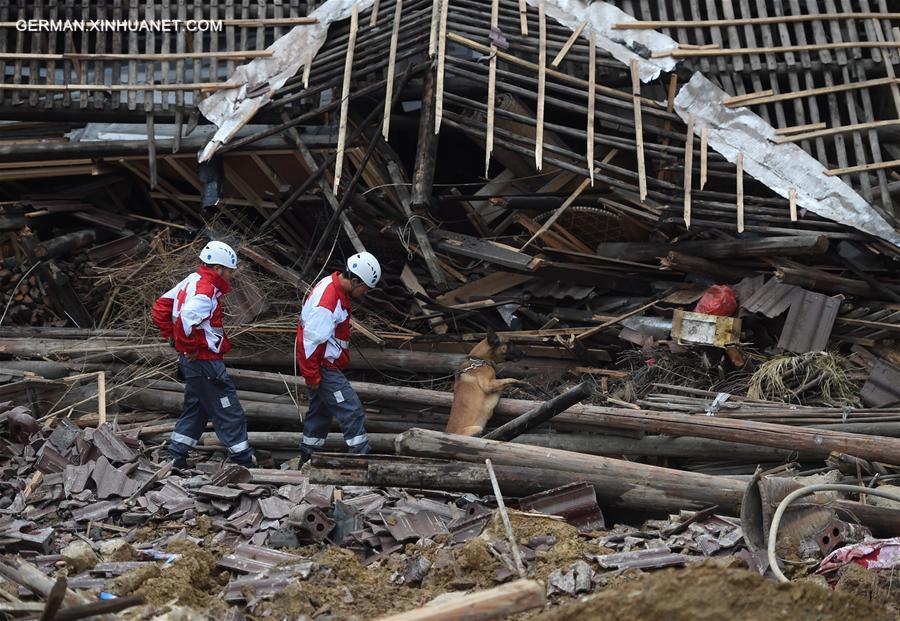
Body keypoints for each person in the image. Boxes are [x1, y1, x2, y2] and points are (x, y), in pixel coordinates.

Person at [151, 240, 254, 468]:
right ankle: (242, 460)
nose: (230, 277)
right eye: (228, 272)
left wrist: (174, 339)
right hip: (204, 361)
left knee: (197, 409)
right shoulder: (206, 289)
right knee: (229, 410)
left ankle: (176, 455)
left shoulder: (192, 280)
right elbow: (187, 318)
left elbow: (161, 307)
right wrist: (188, 347)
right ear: (218, 269)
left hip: (195, 362)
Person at [296, 252, 381, 463]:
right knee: (351, 409)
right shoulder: (328, 301)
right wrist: (312, 375)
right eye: (365, 288)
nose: (365, 292)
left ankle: (308, 457)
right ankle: (360, 459)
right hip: (324, 367)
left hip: (323, 365)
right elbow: (310, 342)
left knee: (320, 412)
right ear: (354, 281)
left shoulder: (333, 287)